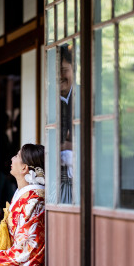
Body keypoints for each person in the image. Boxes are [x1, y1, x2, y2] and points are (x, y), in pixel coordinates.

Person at [58, 43, 74, 204]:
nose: (60, 76)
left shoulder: (85, 96)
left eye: (63, 70)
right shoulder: (51, 100)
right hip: (57, 178)